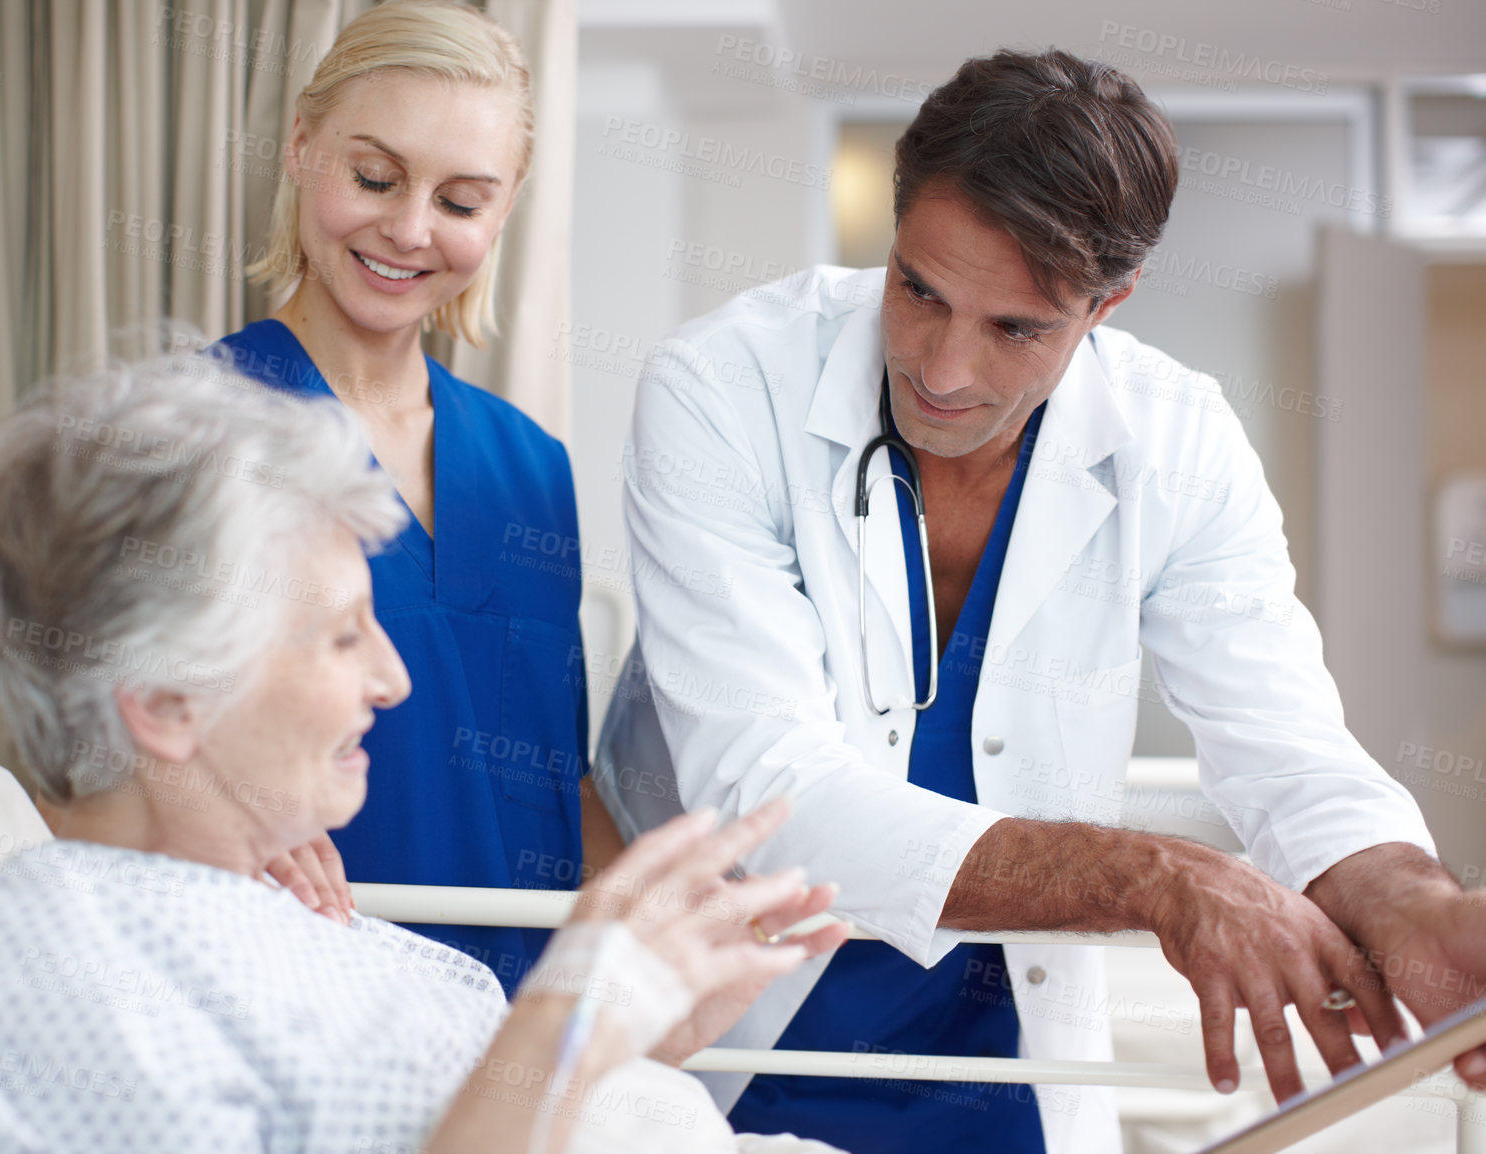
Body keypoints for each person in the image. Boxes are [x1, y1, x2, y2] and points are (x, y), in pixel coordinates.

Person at [596, 48, 1486, 1154]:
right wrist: (1153, 876)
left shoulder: (1177, 440)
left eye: (1016, 328)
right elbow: (765, 790)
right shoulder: (723, 388)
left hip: (1009, 1072)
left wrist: (1413, 903)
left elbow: (1284, 742)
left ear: (1108, 303)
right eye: (918, 289)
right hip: (733, 1051)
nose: (943, 369)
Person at [0, 348, 850, 1154]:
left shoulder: (282, 910)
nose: (394, 680)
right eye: (345, 635)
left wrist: (640, 1048)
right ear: (166, 703)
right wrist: (568, 1017)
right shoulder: (56, 975)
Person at [215, 0, 619, 993]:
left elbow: (555, 784)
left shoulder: (532, 467)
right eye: (375, 177)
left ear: (506, 207)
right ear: (302, 148)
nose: (408, 229)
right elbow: (105, 753)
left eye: (461, 200)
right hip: (297, 994)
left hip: (505, 1026)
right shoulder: (196, 429)